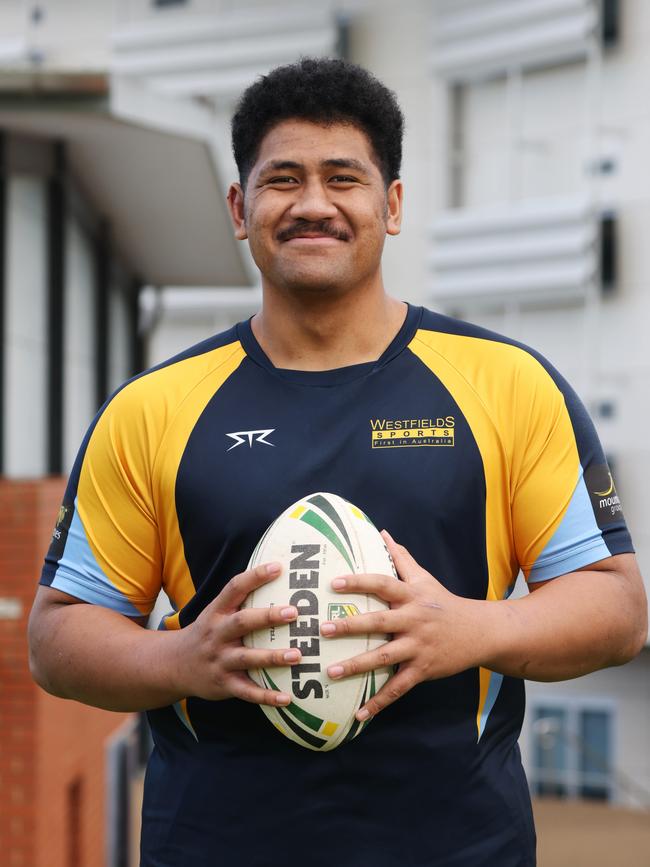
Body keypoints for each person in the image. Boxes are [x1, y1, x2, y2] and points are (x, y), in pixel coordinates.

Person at [29, 58, 646, 867]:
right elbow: (57, 635)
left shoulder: (509, 385)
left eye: (342, 178)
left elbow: (617, 608)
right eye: (282, 178)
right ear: (239, 207)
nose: (312, 204)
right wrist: (181, 657)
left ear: (391, 205)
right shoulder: (152, 410)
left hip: (462, 848)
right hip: (214, 848)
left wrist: (471, 628)